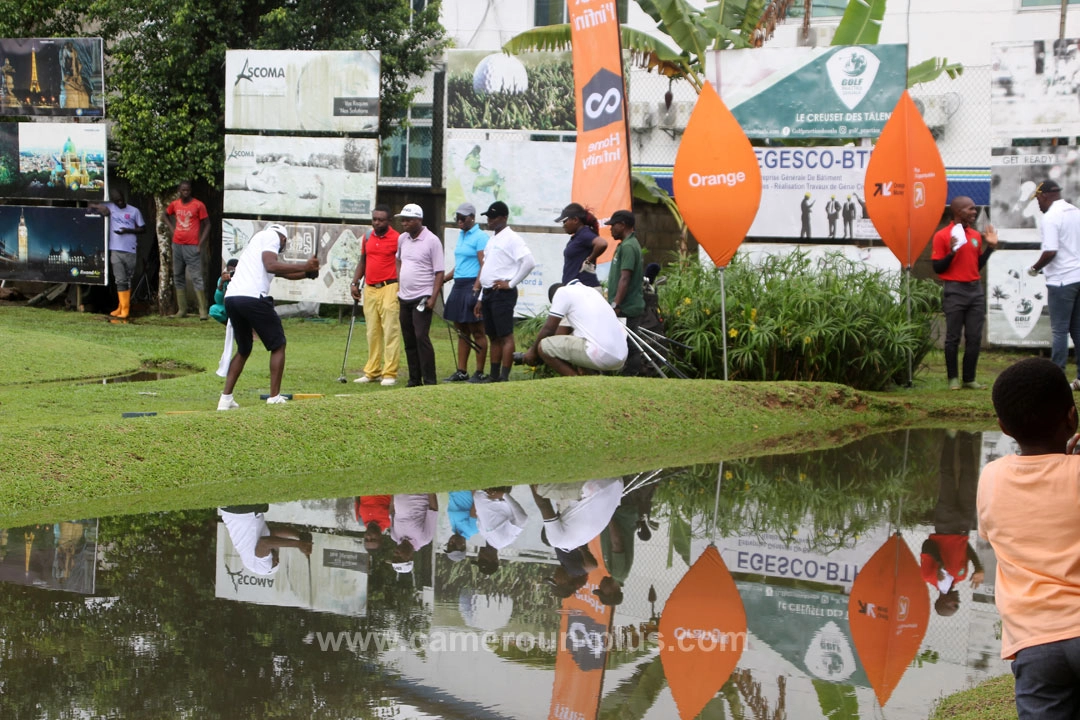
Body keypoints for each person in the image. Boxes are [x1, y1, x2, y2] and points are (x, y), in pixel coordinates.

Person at [978, 358, 1080, 719]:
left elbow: (992, 531)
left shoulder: (991, 477)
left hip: (1034, 645)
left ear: (1004, 427)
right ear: (1072, 416)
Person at [217, 223, 319, 410]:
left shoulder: (256, 243)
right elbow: (271, 265)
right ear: (283, 239)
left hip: (232, 298)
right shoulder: (272, 237)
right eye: (284, 244)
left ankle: (225, 400)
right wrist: (305, 264)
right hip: (253, 298)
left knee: (244, 348)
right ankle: (274, 397)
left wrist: (307, 273)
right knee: (278, 344)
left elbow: (279, 272)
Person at [931, 196, 999, 390]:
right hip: (954, 290)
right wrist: (952, 252)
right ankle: (953, 378)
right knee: (953, 337)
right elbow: (937, 267)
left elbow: (976, 266)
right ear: (959, 211)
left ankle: (969, 379)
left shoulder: (976, 236)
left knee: (975, 337)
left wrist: (990, 248)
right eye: (970, 209)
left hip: (975, 290)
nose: (974, 212)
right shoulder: (942, 236)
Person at [921, 430, 984, 616]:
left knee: (947, 476)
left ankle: (949, 437)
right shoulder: (961, 575)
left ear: (943, 601)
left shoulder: (929, 576)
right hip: (963, 525)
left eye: (954, 606)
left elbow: (927, 545)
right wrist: (978, 567)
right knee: (969, 479)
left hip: (945, 524)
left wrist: (940, 563)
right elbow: (965, 548)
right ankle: (967, 438)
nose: (958, 602)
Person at [1026, 180, 1080, 390]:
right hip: (1078, 276)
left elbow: (1050, 252)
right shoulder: (1075, 211)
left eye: (1038, 199)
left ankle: (1057, 378)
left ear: (1044, 195)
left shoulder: (1050, 217)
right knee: (1077, 329)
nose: (1038, 204)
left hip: (1061, 281)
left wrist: (1034, 268)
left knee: (1059, 331)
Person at [474, 201, 535, 382]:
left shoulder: (512, 238)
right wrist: (480, 297)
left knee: (505, 335)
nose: (489, 220)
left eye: (493, 217)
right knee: (493, 335)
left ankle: (504, 376)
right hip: (488, 292)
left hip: (502, 293)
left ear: (504, 218)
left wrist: (511, 283)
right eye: (488, 217)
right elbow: (487, 269)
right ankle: (493, 375)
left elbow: (529, 262)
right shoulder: (493, 239)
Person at [521, 282, 628, 376]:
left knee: (543, 346)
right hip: (621, 355)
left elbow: (549, 330)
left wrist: (532, 352)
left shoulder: (562, 293)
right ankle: (591, 380)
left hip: (602, 355)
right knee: (576, 342)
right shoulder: (590, 292)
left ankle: (579, 384)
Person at [350, 204, 401, 386]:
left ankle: (389, 372)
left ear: (389, 221)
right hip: (370, 288)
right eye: (374, 219)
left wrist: (401, 286)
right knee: (372, 331)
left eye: (381, 220)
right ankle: (372, 371)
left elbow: (400, 263)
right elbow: (362, 261)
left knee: (390, 330)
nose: (377, 223)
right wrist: (355, 282)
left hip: (390, 286)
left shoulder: (397, 238)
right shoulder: (368, 236)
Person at [395, 203, 445, 388]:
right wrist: (400, 282)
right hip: (404, 296)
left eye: (408, 220)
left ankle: (429, 380)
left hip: (422, 296)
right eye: (402, 219)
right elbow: (398, 259)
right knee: (408, 339)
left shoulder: (432, 241)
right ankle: (414, 379)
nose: (404, 223)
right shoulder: (402, 239)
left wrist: (433, 297)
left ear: (419, 220)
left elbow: (439, 272)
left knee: (421, 336)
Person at [442, 203, 489, 383]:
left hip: (472, 284)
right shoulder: (461, 235)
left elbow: (483, 265)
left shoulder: (480, 237)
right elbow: (461, 264)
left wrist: (477, 288)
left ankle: (479, 372)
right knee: (461, 330)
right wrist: (444, 279)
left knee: (477, 330)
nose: (459, 221)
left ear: (472, 218)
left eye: (463, 218)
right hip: (459, 285)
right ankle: (462, 371)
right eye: (457, 218)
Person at [88, 187, 146, 320]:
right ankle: (122, 308)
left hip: (130, 249)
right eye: (116, 201)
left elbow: (143, 229)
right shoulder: (110, 207)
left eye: (121, 200)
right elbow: (91, 205)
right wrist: (98, 208)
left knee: (128, 279)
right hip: (115, 249)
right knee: (119, 279)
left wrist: (128, 230)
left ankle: (125, 306)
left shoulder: (134, 211)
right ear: (113, 201)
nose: (120, 202)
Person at [529, 478, 624, 553]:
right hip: (597, 486)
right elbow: (543, 505)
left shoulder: (578, 541)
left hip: (617, 486)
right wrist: (529, 481)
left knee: (562, 507)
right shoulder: (555, 540)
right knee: (540, 489)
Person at [218, 504, 312, 575]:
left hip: (242, 512)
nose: (277, 557)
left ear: (276, 561)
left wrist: (299, 544)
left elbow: (265, 543)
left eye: (276, 559)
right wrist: (299, 535)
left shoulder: (264, 567)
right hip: (234, 511)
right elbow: (275, 532)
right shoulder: (252, 554)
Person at [604, 210, 644, 376]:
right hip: (624, 306)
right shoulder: (626, 244)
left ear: (623, 225)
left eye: (613, 225)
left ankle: (633, 376)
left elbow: (625, 278)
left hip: (626, 307)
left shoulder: (628, 247)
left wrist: (616, 304)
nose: (610, 229)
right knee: (625, 343)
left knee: (630, 345)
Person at [165, 180, 211, 319]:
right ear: (179, 190)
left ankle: (203, 310)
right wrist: (172, 229)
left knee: (197, 277)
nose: (185, 192)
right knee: (178, 275)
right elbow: (165, 214)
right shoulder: (175, 204)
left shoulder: (198, 205)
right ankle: (182, 309)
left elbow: (207, 224)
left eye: (188, 190)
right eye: (183, 190)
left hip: (192, 245)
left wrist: (200, 243)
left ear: (191, 191)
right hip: (177, 244)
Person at [555, 202, 606, 287]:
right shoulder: (578, 236)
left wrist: (588, 261)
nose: (563, 225)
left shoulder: (584, 233)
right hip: (577, 289)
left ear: (575, 220)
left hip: (584, 289)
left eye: (565, 221)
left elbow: (602, 244)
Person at [390, 493, 438, 573]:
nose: (395, 554)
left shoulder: (394, 536)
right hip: (419, 491)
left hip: (398, 491)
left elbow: (392, 512)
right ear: (410, 558)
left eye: (394, 557)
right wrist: (430, 490)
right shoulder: (424, 539)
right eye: (399, 558)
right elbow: (433, 510)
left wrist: (393, 493)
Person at [444, 489, 480, 563]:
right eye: (453, 546)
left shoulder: (454, 528)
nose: (450, 542)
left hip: (453, 489)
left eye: (448, 545)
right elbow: (476, 506)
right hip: (467, 488)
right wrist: (474, 489)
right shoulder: (472, 529)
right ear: (463, 546)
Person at [208, 258, 238, 324]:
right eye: (229, 271)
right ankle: (229, 325)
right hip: (226, 306)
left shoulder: (242, 279)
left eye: (233, 271)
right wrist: (221, 283)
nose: (231, 273)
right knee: (214, 309)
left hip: (239, 306)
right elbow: (218, 301)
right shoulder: (223, 279)